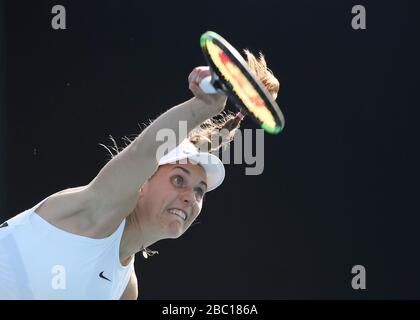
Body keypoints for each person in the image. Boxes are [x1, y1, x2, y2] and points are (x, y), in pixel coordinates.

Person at [0, 50, 280, 299]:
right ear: (142, 182)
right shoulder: (98, 213)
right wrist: (205, 106)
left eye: (199, 191)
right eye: (178, 180)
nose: (190, 198)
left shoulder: (125, 289)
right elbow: (143, 153)